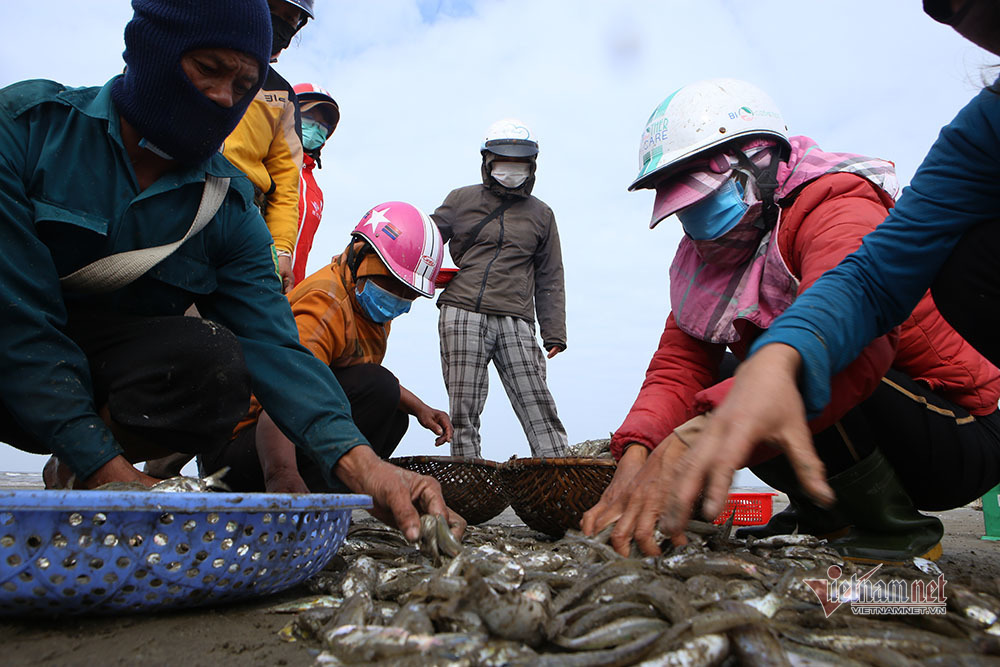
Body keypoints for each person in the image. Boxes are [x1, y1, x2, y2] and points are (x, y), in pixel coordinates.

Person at [0, 0, 461, 543]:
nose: (224, 98)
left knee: (216, 359)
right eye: (208, 69)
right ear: (151, 50)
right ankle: (91, 462)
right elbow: (19, 324)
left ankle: (86, 464)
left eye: (244, 85)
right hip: (16, 361)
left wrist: (365, 468)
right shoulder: (27, 129)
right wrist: (110, 472)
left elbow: (277, 349)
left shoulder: (229, 209)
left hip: (109, 370)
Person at [581, 78, 1000, 563]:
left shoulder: (835, 203)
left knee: (796, 363)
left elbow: (856, 333)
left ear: (758, 161)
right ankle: (826, 514)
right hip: (860, 429)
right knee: (724, 382)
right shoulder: (703, 260)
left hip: (954, 434)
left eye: (705, 194)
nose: (693, 217)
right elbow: (678, 366)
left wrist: (692, 441)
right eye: (682, 206)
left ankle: (891, 527)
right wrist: (637, 453)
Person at [200, 202, 454, 494]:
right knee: (380, 388)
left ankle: (328, 494)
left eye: (407, 293)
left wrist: (421, 409)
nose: (397, 298)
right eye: (391, 284)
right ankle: (298, 493)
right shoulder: (325, 303)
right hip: (244, 448)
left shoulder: (369, 308)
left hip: (290, 428)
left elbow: (352, 371)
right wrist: (281, 475)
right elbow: (286, 392)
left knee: (395, 415)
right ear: (362, 257)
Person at [432, 119, 569, 460]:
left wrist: (554, 332)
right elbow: (426, 237)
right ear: (488, 163)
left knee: (536, 400)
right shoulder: (460, 199)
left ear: (532, 167)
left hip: (516, 318)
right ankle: (467, 475)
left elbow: (550, 274)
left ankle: (559, 472)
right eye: (503, 162)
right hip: (462, 311)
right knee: (464, 407)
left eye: (519, 163)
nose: (511, 169)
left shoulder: (542, 214)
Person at [222, 0, 311, 294]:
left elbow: (286, 184)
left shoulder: (282, 96)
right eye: (274, 9)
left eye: (291, 19)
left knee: (264, 328)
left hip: (241, 215)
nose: (281, 24)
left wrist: (283, 250)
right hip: (180, 194)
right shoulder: (202, 55)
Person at [291, 82, 340, 286]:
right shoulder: (264, 161)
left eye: (323, 126)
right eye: (309, 118)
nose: (316, 129)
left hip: (287, 293)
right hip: (240, 280)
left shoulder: (316, 192)